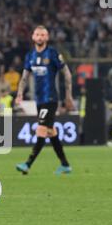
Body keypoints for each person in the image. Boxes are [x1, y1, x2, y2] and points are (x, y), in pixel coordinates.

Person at [15, 26, 74, 175]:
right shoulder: (30, 56)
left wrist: (68, 95)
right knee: (51, 132)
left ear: (47, 38)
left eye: (43, 34)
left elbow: (67, 74)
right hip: (39, 100)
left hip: (50, 98)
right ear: (33, 37)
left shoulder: (53, 54)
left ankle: (28, 164)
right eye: (37, 34)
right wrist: (20, 93)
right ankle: (65, 165)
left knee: (41, 129)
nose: (40, 37)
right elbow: (24, 77)